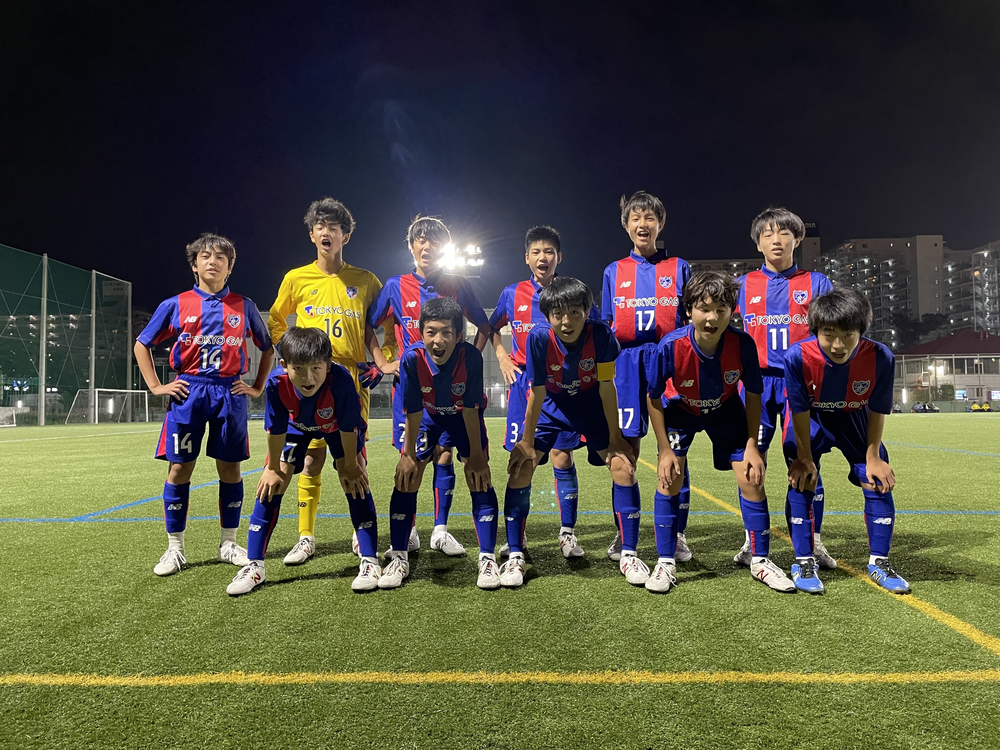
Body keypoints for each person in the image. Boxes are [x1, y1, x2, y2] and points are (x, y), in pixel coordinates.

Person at [135, 233, 274, 577]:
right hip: (189, 392)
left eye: (221, 258)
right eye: (205, 256)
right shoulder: (176, 304)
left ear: (230, 268)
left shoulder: (244, 306)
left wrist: (257, 387)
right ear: (194, 265)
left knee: (230, 469)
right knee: (180, 469)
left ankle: (228, 543)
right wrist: (156, 386)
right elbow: (142, 344)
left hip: (229, 392)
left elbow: (267, 348)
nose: (213, 262)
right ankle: (175, 548)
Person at [647, 271, 794, 594]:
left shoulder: (742, 345)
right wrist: (664, 450)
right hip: (681, 411)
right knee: (669, 478)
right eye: (704, 309)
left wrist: (752, 444)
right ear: (689, 310)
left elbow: (753, 394)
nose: (712, 318)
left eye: (721, 310)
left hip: (726, 411)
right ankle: (666, 561)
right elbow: (653, 397)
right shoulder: (670, 346)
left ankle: (760, 559)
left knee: (752, 476)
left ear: (732, 311)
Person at [268, 197, 391, 567]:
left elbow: (389, 324)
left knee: (354, 458)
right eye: (319, 227)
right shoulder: (296, 278)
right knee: (310, 459)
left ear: (345, 236)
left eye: (333, 228)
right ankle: (306, 537)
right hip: (309, 379)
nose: (326, 232)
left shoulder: (366, 281)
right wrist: (291, 356)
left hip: (349, 379)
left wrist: (382, 362)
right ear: (311, 234)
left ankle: (360, 532)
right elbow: (276, 320)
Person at [507, 277, 647, 588]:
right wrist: (527, 441)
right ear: (547, 315)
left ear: (587, 311)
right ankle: (515, 554)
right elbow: (537, 392)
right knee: (521, 467)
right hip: (552, 409)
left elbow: (607, 386)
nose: (566, 321)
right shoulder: (539, 338)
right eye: (558, 314)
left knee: (623, 467)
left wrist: (615, 437)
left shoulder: (601, 335)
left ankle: (628, 553)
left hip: (590, 407)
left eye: (574, 312)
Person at [367, 216, 492, 558]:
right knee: (411, 460)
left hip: (453, 394)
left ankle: (440, 530)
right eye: (420, 239)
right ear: (411, 246)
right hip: (414, 390)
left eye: (434, 240)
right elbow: (368, 326)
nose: (427, 246)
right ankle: (407, 535)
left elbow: (484, 326)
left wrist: (466, 363)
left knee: (446, 455)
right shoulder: (395, 285)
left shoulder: (456, 283)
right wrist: (382, 363)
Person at [227, 327, 378, 595]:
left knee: (354, 479)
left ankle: (370, 561)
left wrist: (350, 466)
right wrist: (273, 468)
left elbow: (349, 427)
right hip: (297, 428)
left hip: (337, 428)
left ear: (328, 365)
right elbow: (276, 429)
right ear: (284, 365)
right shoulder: (277, 383)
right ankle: (254, 565)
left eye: (316, 368)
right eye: (298, 368)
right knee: (271, 484)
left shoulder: (341, 381)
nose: (308, 378)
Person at [784, 288, 910, 594]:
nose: (838, 345)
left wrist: (873, 456)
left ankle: (879, 562)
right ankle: (803, 560)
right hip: (812, 419)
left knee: (876, 479)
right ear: (815, 330)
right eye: (829, 335)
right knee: (803, 478)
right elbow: (798, 410)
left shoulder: (880, 356)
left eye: (848, 335)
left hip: (855, 418)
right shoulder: (798, 356)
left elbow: (877, 409)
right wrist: (804, 456)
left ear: (861, 332)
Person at [488, 225, 600, 561]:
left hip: (564, 385)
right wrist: (502, 356)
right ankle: (517, 536)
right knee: (523, 459)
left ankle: (567, 533)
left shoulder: (573, 293)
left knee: (562, 456)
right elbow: (491, 328)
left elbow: (595, 330)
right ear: (527, 258)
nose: (543, 257)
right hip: (526, 383)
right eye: (536, 252)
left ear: (558, 257)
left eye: (549, 251)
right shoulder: (512, 293)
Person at [733, 207, 836, 570]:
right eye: (768, 235)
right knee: (750, 463)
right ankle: (753, 540)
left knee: (805, 460)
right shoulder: (743, 285)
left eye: (784, 234)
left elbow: (829, 334)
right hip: (756, 384)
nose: (776, 240)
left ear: (797, 239)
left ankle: (812, 541)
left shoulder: (817, 283)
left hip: (801, 383)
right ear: (758, 243)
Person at [383, 297, 501, 590]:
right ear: (421, 333)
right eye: (431, 332)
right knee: (408, 476)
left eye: (446, 332)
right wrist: (407, 455)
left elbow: (471, 410)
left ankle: (487, 558)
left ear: (459, 336)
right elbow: (413, 411)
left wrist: (476, 456)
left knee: (478, 477)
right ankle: (399, 556)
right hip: (428, 418)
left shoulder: (471, 357)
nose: (438, 340)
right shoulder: (412, 358)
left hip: (462, 417)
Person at [600, 191, 693, 564]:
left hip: (668, 361)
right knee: (626, 449)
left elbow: (691, 319)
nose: (643, 224)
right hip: (626, 366)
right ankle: (624, 534)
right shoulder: (613, 271)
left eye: (650, 218)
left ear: (660, 223)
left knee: (676, 448)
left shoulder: (679, 267)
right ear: (626, 225)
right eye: (636, 218)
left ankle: (677, 534)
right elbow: (607, 326)